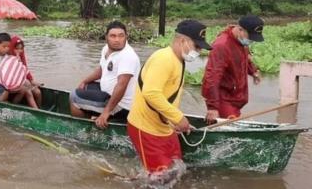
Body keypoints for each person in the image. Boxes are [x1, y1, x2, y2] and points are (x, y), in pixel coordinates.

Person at [127, 20, 212, 174]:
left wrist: (175, 122)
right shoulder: (164, 58)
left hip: (165, 127)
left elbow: (168, 96)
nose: (199, 51)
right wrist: (178, 117)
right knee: (159, 177)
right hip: (146, 129)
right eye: (197, 46)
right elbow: (151, 93)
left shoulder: (178, 59)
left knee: (176, 168)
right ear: (182, 41)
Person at [69, 21, 141, 129]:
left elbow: (121, 85)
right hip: (108, 93)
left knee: (74, 96)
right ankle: (93, 117)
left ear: (126, 37)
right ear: (106, 37)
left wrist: (106, 112)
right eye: (113, 36)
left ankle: (85, 129)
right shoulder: (106, 49)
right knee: (86, 87)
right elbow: (102, 70)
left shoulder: (128, 56)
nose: (117, 40)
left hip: (122, 105)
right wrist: (85, 81)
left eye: (121, 36)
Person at [202, 15, 264, 123]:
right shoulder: (222, 45)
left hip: (236, 96)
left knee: (230, 125)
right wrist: (212, 107)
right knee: (231, 127)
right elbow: (212, 77)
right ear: (240, 29)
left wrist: (253, 71)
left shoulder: (241, 41)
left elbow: (245, 59)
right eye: (250, 37)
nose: (251, 41)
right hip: (224, 98)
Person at [8, 36, 42, 107]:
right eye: (16, 49)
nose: (19, 51)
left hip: (22, 80)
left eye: (21, 48)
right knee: (28, 91)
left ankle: (40, 109)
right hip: (13, 82)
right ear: (12, 48)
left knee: (38, 92)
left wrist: (31, 80)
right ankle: (36, 111)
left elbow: (25, 69)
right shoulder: (9, 58)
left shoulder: (21, 56)